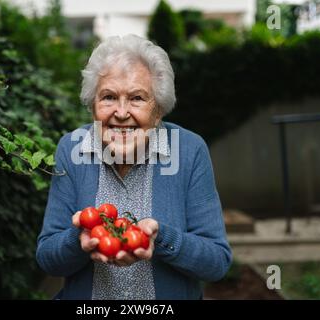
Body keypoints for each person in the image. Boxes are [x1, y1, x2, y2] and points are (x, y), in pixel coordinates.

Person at [36, 34, 232, 300]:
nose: (121, 112)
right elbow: (47, 257)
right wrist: (78, 240)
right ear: (93, 107)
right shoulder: (72, 149)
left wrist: (162, 238)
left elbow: (217, 262)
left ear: (159, 110)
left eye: (137, 98)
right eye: (108, 97)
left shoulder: (189, 150)